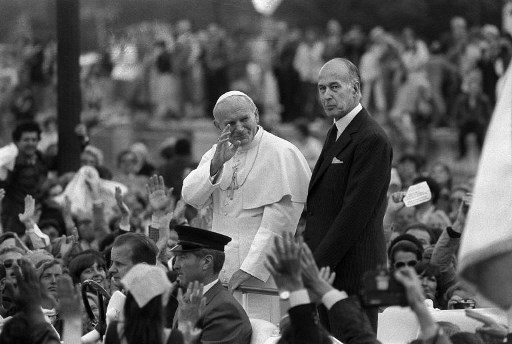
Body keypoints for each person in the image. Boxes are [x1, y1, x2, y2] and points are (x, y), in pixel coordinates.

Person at [182, 90, 310, 321]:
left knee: (259, 329)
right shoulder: (217, 152)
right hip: (219, 267)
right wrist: (216, 164)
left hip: (262, 271)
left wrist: (249, 269)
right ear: (217, 125)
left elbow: (280, 222)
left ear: (256, 115)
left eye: (244, 119)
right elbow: (191, 196)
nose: (239, 128)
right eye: (230, 123)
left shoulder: (282, 152)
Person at [304, 57, 392, 334]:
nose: (327, 95)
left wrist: (316, 266)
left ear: (355, 88)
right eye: (321, 89)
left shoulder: (371, 138)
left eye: (334, 86)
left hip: (354, 274)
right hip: (332, 272)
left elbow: (354, 213)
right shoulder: (337, 131)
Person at [171, 225, 252, 344]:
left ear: (206, 262)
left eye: (183, 257)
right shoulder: (189, 298)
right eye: (176, 258)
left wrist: (184, 330)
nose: (175, 265)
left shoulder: (224, 309)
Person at [0, 121, 48, 235]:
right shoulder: (10, 162)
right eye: (26, 140)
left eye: (34, 139)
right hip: (14, 218)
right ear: (17, 142)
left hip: (36, 216)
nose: (30, 143)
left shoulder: (41, 160)